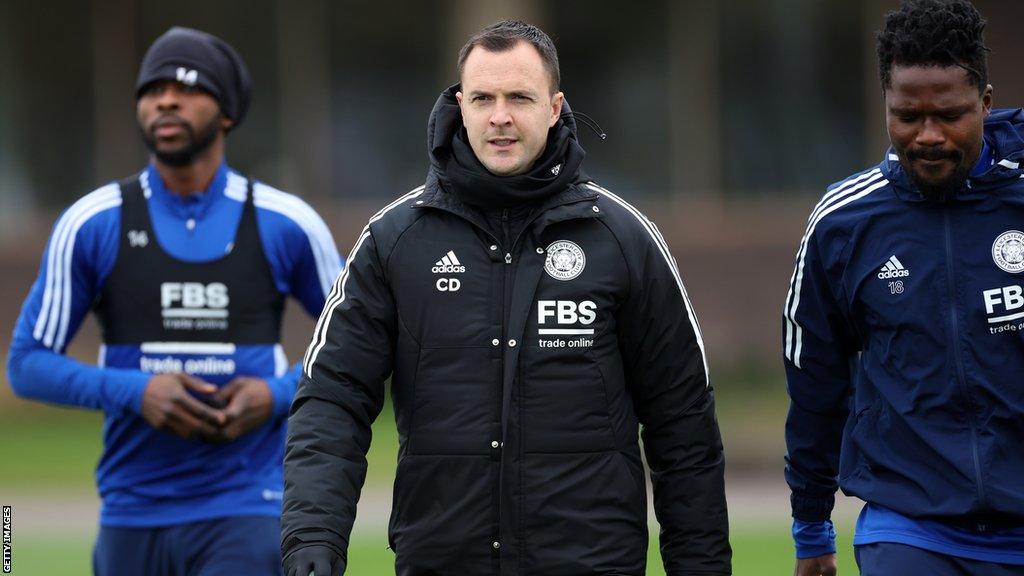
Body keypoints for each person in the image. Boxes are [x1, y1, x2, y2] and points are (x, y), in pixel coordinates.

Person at [281, 19, 731, 576]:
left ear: (554, 107)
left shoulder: (622, 238)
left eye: (520, 97)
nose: (500, 117)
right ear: (460, 105)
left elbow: (682, 421)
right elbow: (332, 397)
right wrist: (312, 540)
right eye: (483, 98)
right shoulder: (394, 240)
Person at [5, 27, 343, 575]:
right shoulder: (92, 223)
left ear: (227, 112)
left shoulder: (287, 224)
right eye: (151, 89)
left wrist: (277, 394)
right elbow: (26, 365)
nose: (165, 99)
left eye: (187, 87)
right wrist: (138, 393)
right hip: (130, 513)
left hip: (247, 507)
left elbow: (360, 350)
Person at [783, 1, 1024, 574]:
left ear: (985, 104)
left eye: (950, 115)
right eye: (908, 116)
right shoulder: (844, 222)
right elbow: (814, 378)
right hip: (910, 528)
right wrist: (811, 524)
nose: (929, 136)